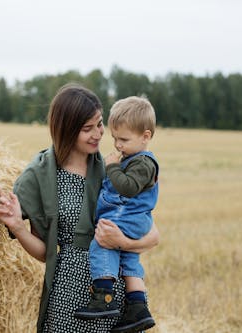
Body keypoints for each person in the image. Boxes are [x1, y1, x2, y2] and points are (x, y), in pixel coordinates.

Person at [0, 83, 159, 333]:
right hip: (68, 296)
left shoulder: (114, 170)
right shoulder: (40, 177)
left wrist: (121, 242)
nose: (98, 134)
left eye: (100, 124)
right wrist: (17, 226)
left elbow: (153, 236)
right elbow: (44, 253)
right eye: (87, 128)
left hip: (115, 298)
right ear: (67, 130)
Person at [74, 96, 159, 333]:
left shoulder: (143, 162)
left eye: (123, 139)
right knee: (129, 261)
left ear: (146, 136)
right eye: (114, 138)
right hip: (134, 219)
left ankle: (104, 297)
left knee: (102, 242)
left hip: (126, 217)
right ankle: (138, 308)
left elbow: (129, 187)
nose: (117, 145)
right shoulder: (135, 157)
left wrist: (112, 168)